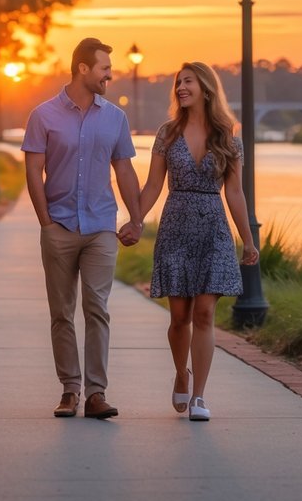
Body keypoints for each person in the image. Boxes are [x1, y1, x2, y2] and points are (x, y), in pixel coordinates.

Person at [22, 37, 145, 420]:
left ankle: (96, 394)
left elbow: (124, 169)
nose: (111, 74)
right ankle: (69, 390)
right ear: (82, 69)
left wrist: (136, 218)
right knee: (61, 312)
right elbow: (33, 172)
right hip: (58, 225)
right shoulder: (43, 115)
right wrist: (46, 223)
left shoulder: (115, 118)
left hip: (100, 229)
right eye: (105, 67)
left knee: (97, 309)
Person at [133, 61, 259, 422]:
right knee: (179, 318)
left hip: (214, 230)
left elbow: (235, 193)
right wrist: (136, 221)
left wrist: (247, 241)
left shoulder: (228, 138)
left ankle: (199, 396)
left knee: (204, 314)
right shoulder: (167, 133)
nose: (181, 88)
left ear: (205, 87)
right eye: (178, 83)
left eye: (187, 81)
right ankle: (180, 372)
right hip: (175, 226)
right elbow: (154, 185)